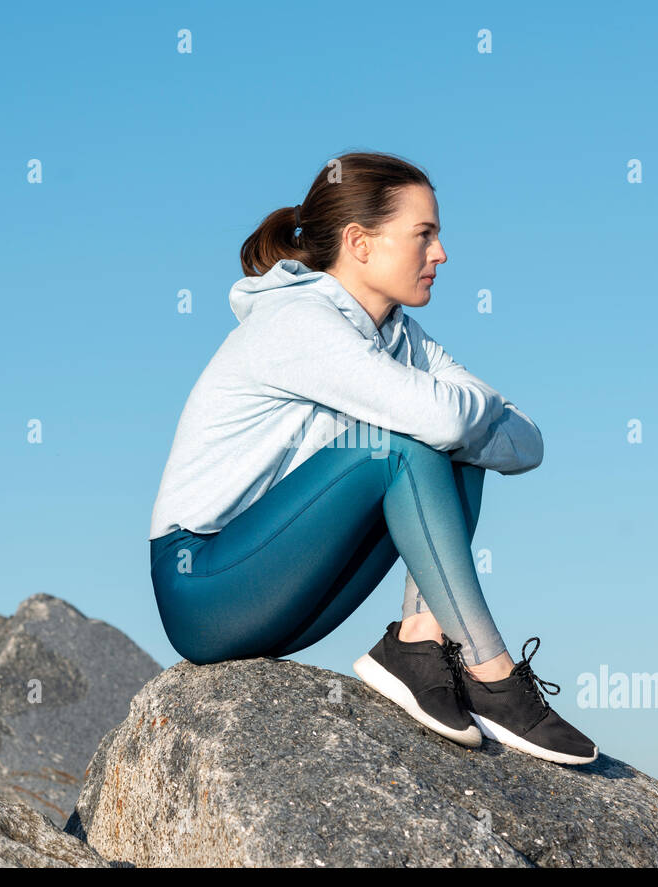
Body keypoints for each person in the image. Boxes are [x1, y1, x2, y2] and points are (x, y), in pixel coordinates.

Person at [148, 151, 596, 764]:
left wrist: (461, 418)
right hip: (204, 584)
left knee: (450, 448)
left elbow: (527, 444)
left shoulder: (402, 338)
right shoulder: (296, 323)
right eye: (424, 235)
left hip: (293, 593)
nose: (441, 254)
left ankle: (420, 641)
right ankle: (490, 672)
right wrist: (468, 412)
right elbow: (450, 417)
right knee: (400, 444)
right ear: (360, 243)